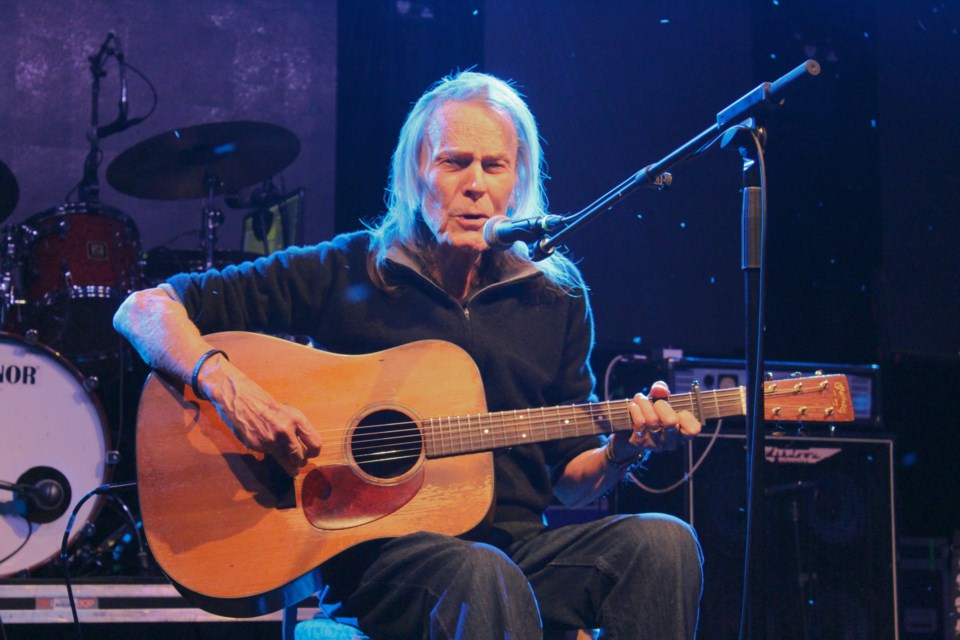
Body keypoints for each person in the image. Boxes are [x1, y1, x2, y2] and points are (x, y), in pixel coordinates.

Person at [114, 70, 703, 639]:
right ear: (415, 172)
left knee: (665, 544)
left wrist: (622, 453)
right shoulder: (346, 268)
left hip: (521, 555)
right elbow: (142, 309)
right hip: (385, 562)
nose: (476, 184)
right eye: (454, 161)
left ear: (517, 179)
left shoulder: (556, 298)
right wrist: (231, 390)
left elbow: (570, 478)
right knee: (479, 571)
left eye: (494, 165)